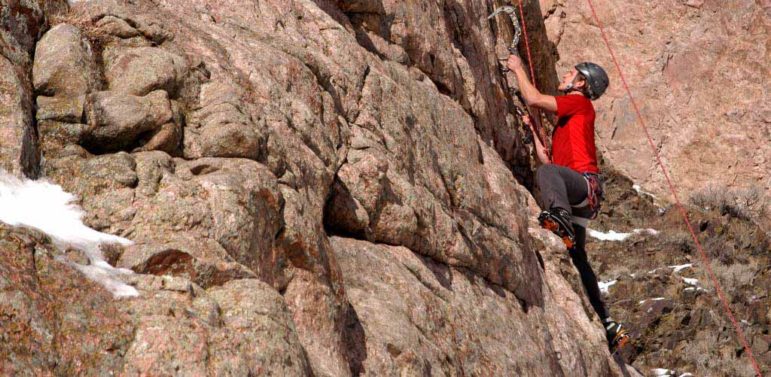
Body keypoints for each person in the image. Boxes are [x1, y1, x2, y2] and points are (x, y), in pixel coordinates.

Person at [506, 54, 628, 351]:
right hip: (581, 193)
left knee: (547, 175)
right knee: (578, 257)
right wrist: (535, 131)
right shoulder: (567, 123)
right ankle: (607, 323)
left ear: (581, 82)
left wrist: (518, 68)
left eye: (571, 73)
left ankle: (558, 215)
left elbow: (534, 99)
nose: (565, 75)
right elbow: (548, 160)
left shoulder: (578, 102)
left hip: (581, 187)